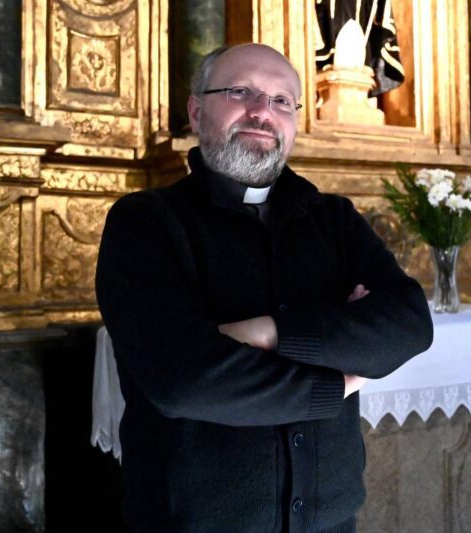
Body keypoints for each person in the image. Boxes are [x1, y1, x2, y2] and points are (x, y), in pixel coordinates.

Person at [95, 43, 433, 532]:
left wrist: (271, 333)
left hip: (330, 522)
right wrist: (338, 379)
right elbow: (185, 381)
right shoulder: (145, 222)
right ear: (197, 111)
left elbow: (409, 324)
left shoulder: (333, 219)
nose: (261, 112)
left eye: (281, 101)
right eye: (240, 92)